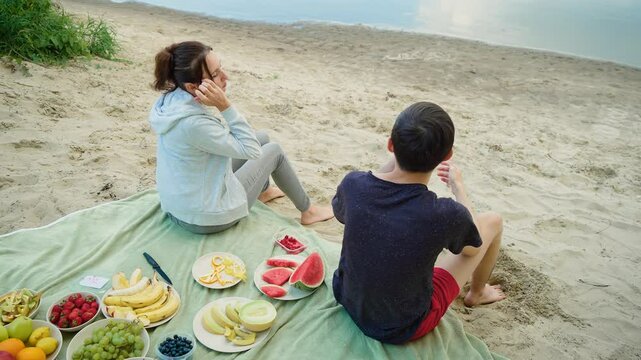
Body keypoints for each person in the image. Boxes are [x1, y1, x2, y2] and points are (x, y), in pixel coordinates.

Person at [331, 101, 505, 344]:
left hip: (347, 297)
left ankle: (478, 291)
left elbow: (342, 213)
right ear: (447, 156)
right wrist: (459, 188)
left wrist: (397, 157)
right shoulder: (444, 214)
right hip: (401, 325)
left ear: (390, 145)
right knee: (493, 221)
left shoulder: (353, 184)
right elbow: (474, 246)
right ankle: (477, 292)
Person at [149, 41, 333, 234]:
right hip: (203, 218)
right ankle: (309, 211)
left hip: (183, 203)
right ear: (193, 86)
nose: (225, 77)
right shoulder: (193, 124)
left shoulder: (170, 100)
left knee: (262, 137)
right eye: (215, 75)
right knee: (273, 151)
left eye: (221, 69)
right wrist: (225, 106)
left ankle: (263, 191)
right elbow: (251, 150)